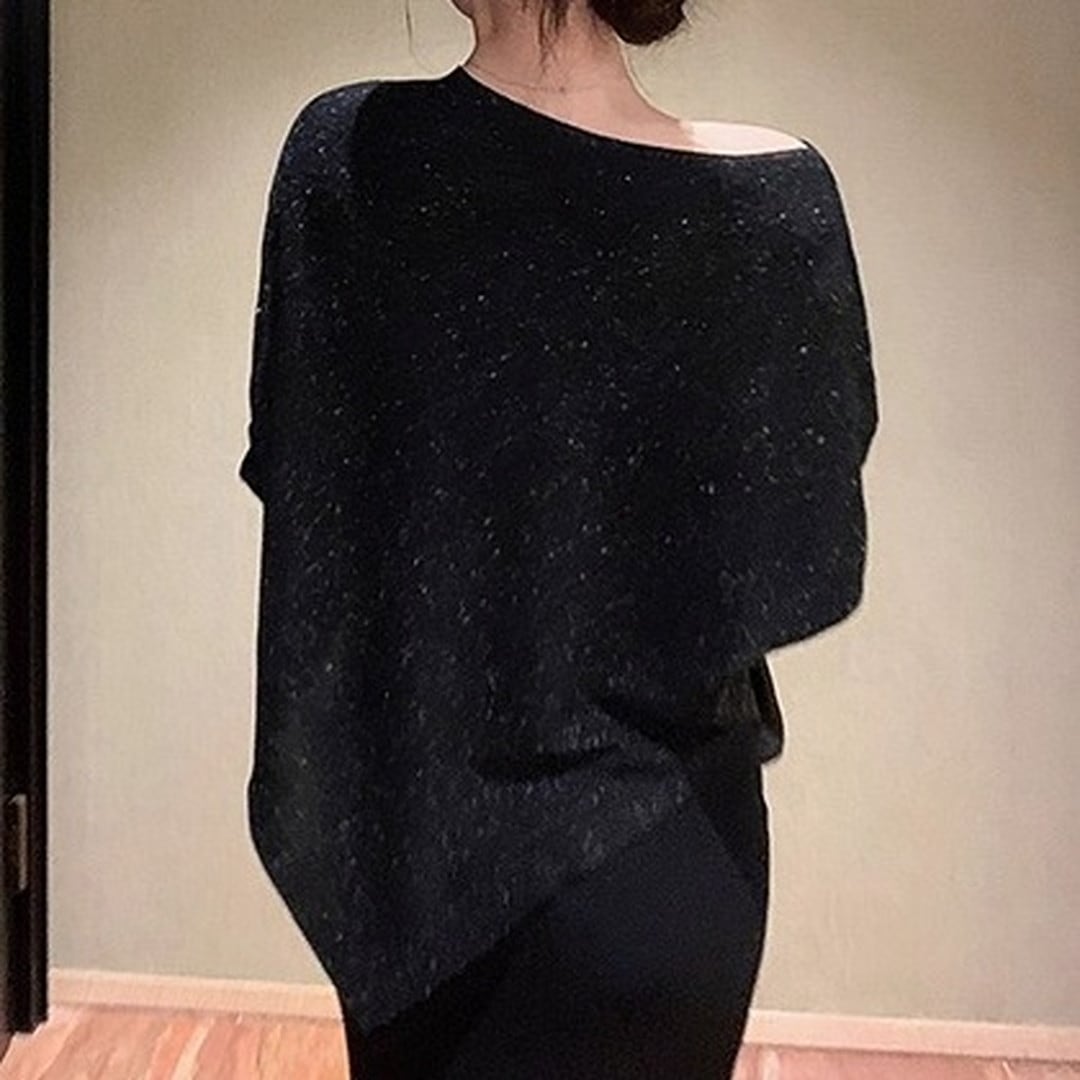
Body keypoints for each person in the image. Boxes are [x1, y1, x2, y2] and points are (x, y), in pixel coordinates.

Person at [239, 0, 877, 1075]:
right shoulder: (779, 199)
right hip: (666, 864)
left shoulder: (349, 155)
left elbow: (312, 488)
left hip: (419, 852)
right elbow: (794, 535)